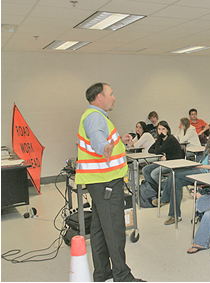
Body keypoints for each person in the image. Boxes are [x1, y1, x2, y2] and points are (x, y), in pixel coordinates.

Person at [75, 82, 144, 282]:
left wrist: (117, 142)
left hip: (98, 182)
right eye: (111, 94)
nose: (114, 98)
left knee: (99, 228)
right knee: (114, 229)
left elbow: (100, 138)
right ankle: (122, 276)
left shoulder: (92, 116)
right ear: (99, 97)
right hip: (106, 182)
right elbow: (97, 139)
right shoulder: (95, 117)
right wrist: (104, 146)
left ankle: (103, 272)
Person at [161, 119, 210, 225]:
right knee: (176, 181)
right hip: (200, 168)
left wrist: (201, 166)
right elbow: (205, 158)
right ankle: (175, 215)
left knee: (175, 174)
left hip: (208, 173)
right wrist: (197, 165)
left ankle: (164, 199)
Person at [142, 121, 184, 206]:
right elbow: (151, 150)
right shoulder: (161, 139)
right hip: (166, 162)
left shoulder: (170, 139)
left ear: (167, 130)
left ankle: (169, 193)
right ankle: (157, 190)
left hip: (175, 163)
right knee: (145, 170)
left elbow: (157, 150)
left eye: (163, 129)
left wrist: (159, 142)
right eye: (159, 129)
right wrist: (161, 152)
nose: (161, 131)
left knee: (154, 173)